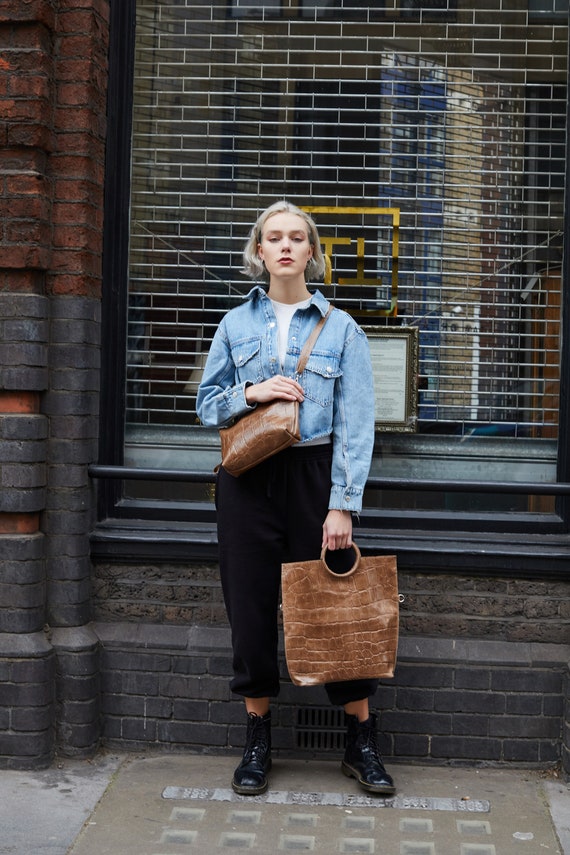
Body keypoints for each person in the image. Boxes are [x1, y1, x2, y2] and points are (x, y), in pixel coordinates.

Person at [196, 200, 395, 797]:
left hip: (314, 478)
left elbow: (357, 425)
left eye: (296, 238)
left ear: (312, 251)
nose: (284, 246)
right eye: (273, 238)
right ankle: (258, 738)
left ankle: (361, 742)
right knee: (250, 612)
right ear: (259, 252)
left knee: (338, 609)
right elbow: (207, 405)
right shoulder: (234, 325)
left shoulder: (342, 328)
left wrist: (343, 505)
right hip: (248, 480)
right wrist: (251, 392)